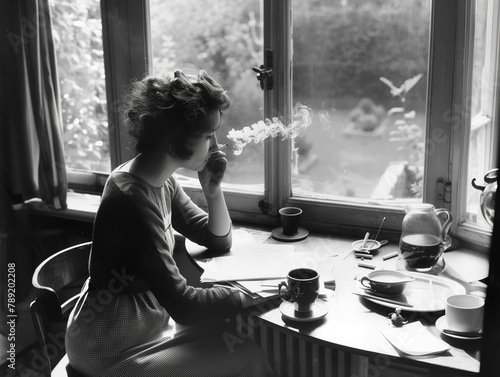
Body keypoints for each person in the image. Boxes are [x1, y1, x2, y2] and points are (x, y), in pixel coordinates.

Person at [65, 69, 276, 377]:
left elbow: (216, 239)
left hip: (142, 328)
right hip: (109, 349)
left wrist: (213, 192)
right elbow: (186, 306)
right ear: (177, 140)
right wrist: (257, 292)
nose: (216, 146)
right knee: (248, 354)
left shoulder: (160, 180)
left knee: (229, 333)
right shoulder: (130, 200)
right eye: (207, 136)